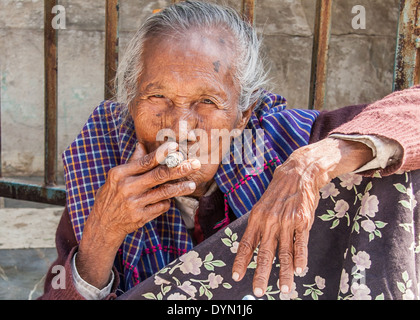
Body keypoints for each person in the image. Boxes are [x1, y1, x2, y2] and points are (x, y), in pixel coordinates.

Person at [39, 1, 420, 300]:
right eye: (157, 96)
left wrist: (311, 164)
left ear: (243, 115)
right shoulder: (107, 163)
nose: (182, 127)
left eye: (206, 101)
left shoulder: (288, 140)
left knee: (390, 168)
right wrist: (100, 239)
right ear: (131, 103)